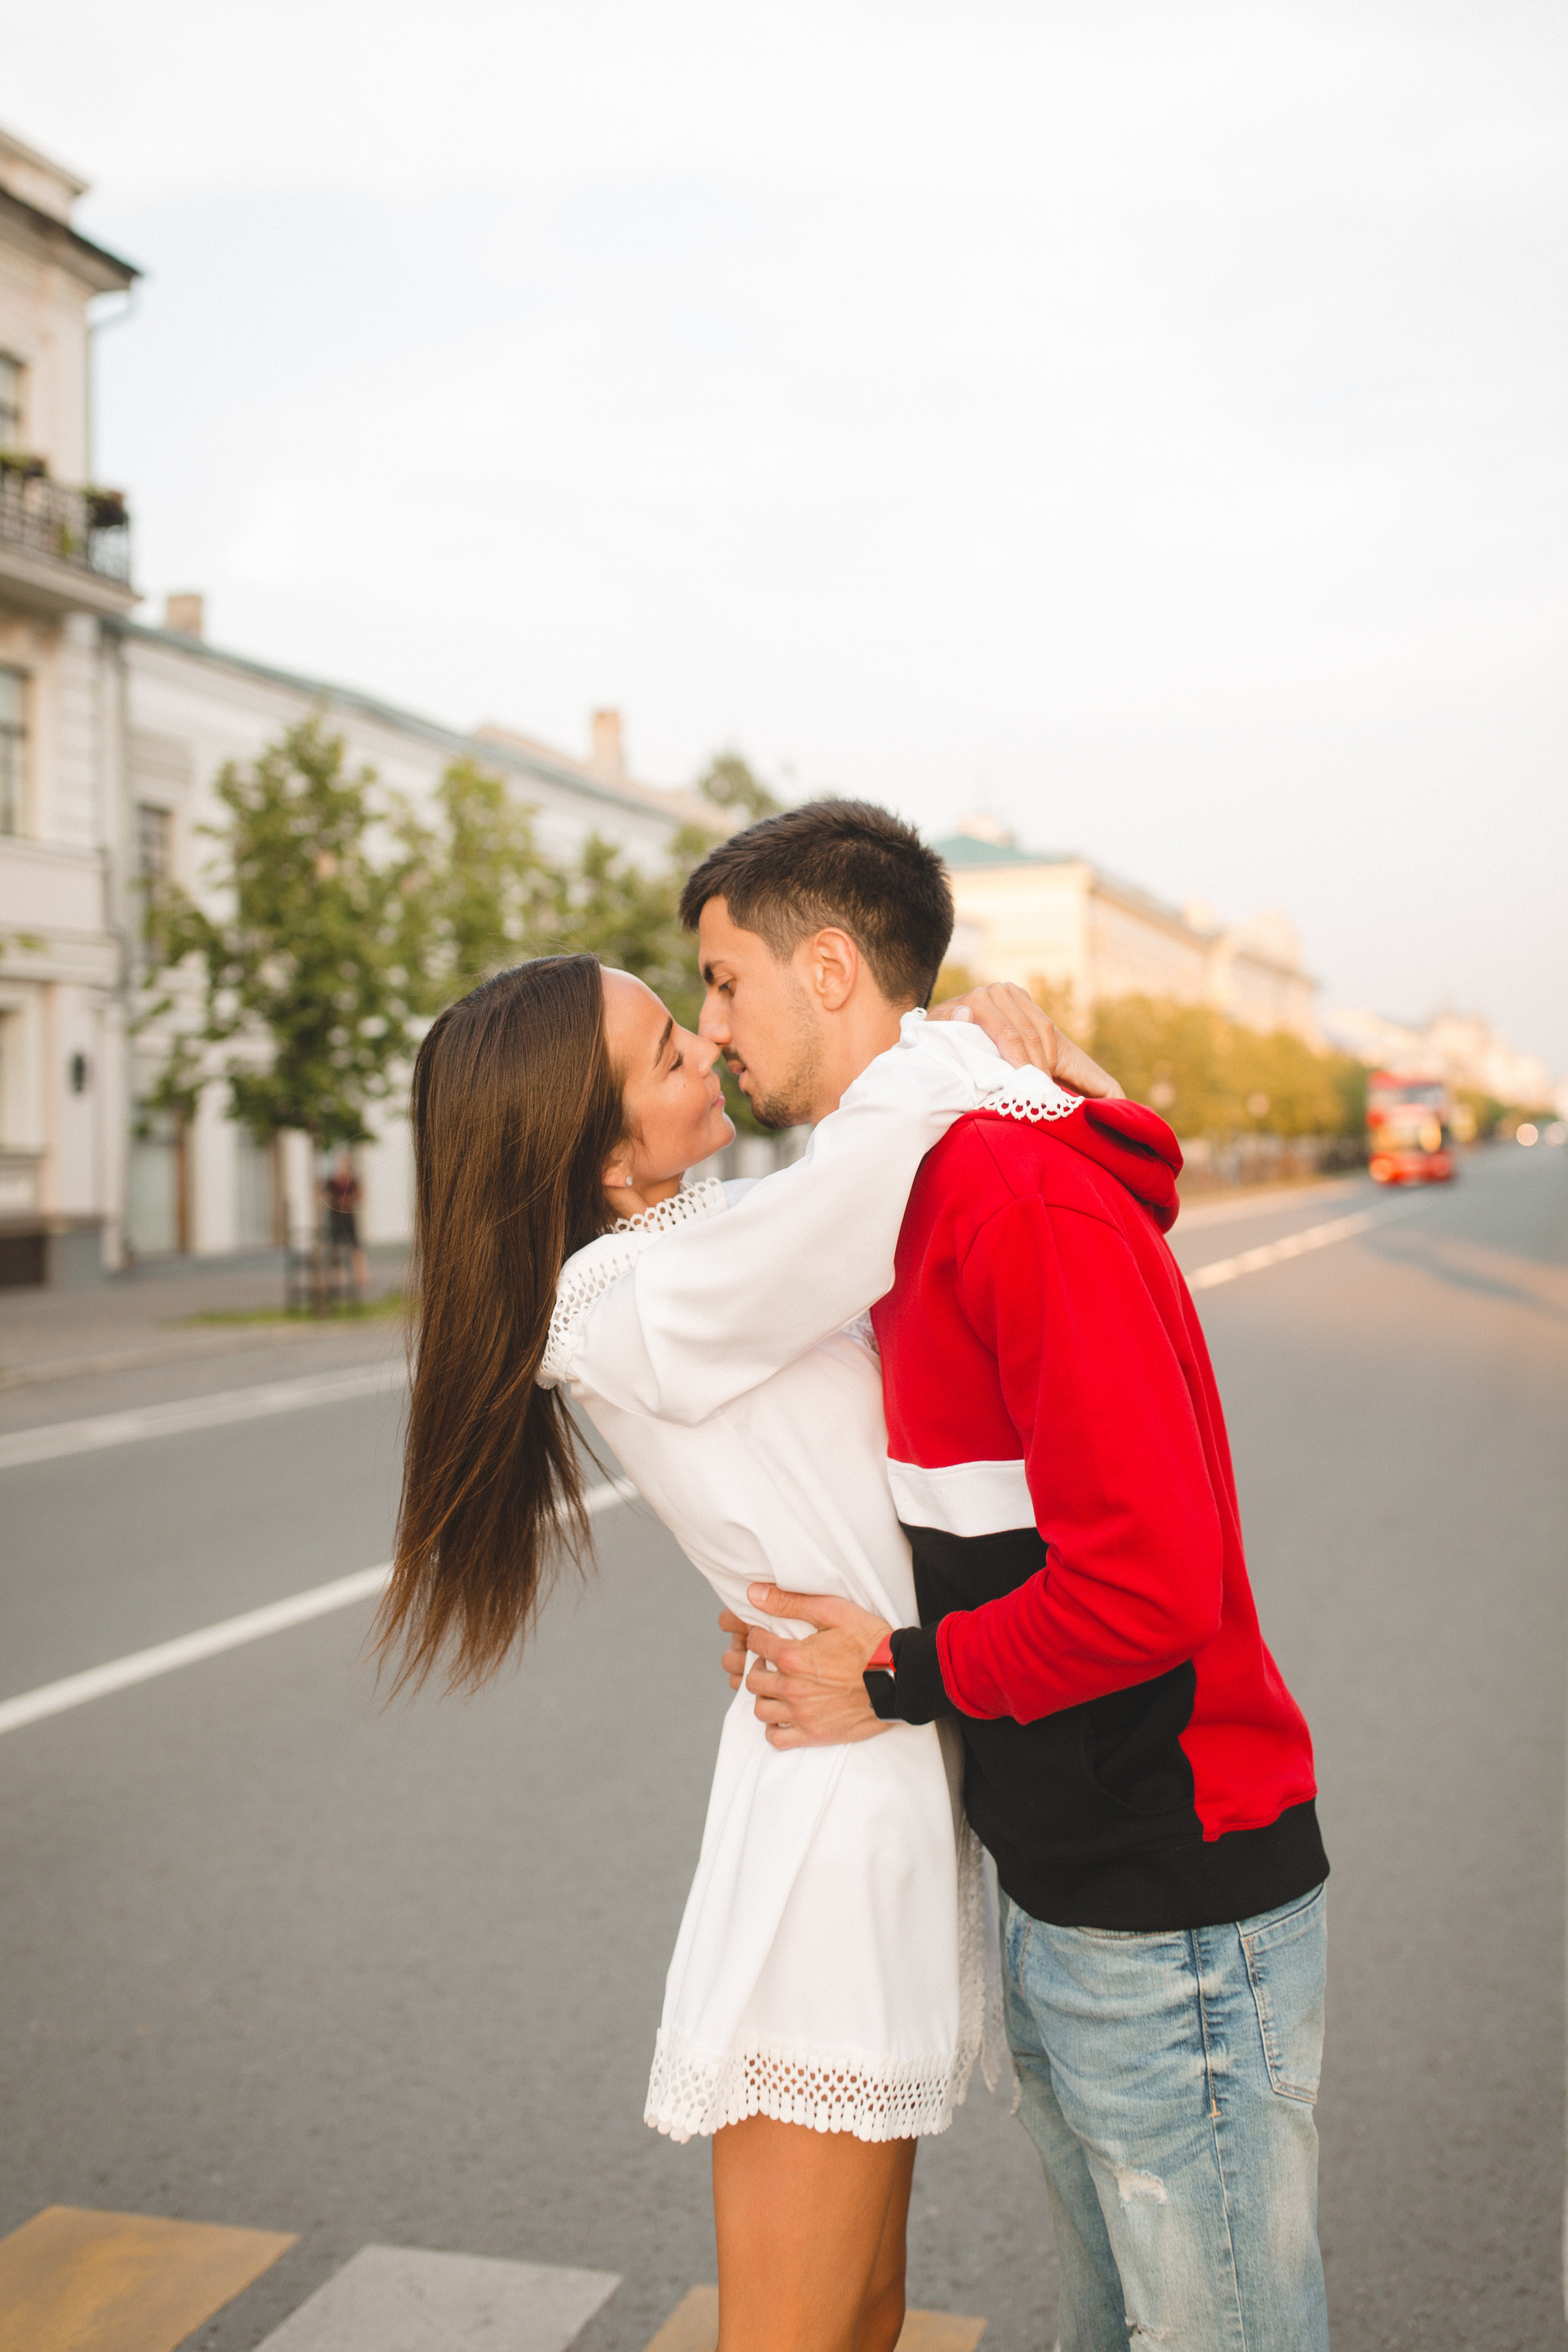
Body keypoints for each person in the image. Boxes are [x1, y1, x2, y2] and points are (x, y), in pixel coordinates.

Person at [374, 864, 1119, 2352]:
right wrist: (956, 1035)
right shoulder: (627, 1303)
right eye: (668, 1051)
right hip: (830, 1839)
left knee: (866, 2312)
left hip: (886, 1773)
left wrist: (1027, 1056)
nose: (709, 1042)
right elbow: (866, 1183)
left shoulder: (697, 1249)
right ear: (598, 1154)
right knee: (796, 2329)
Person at [684, 807, 1333, 2350]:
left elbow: (1148, 1584)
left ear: (827, 969)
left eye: (721, 980)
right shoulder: (914, 1190)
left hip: (1170, 1902)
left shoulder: (1000, 1188)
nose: (711, 1029)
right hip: (1064, 1887)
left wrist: (894, 1677)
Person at [322, 1149, 368, 1292]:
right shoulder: (332, 1182)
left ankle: (360, 1276)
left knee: (355, 1247)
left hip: (349, 1216)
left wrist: (349, 1200)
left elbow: (361, 1194)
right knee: (336, 1248)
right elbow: (324, 1197)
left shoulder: (352, 1181)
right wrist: (335, 1201)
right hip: (336, 1217)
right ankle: (336, 1277)